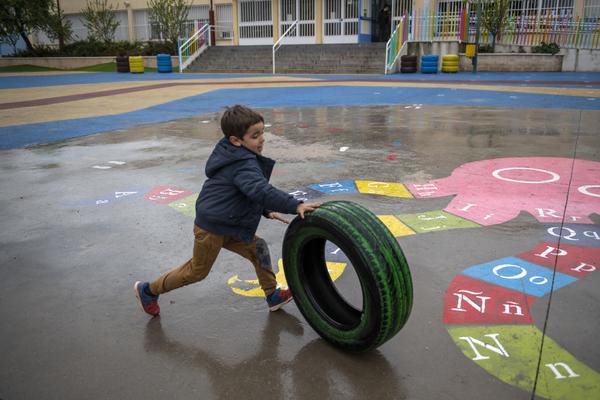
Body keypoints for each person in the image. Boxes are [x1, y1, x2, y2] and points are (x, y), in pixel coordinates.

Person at [134, 105, 320, 316]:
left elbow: (245, 192)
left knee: (258, 248)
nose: (262, 139)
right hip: (211, 229)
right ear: (235, 140)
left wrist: (266, 210)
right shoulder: (241, 163)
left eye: (262, 132)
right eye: (255, 135)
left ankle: (272, 295)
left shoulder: (236, 155)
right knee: (197, 271)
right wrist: (295, 205)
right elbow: (259, 190)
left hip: (230, 223)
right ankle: (148, 290)